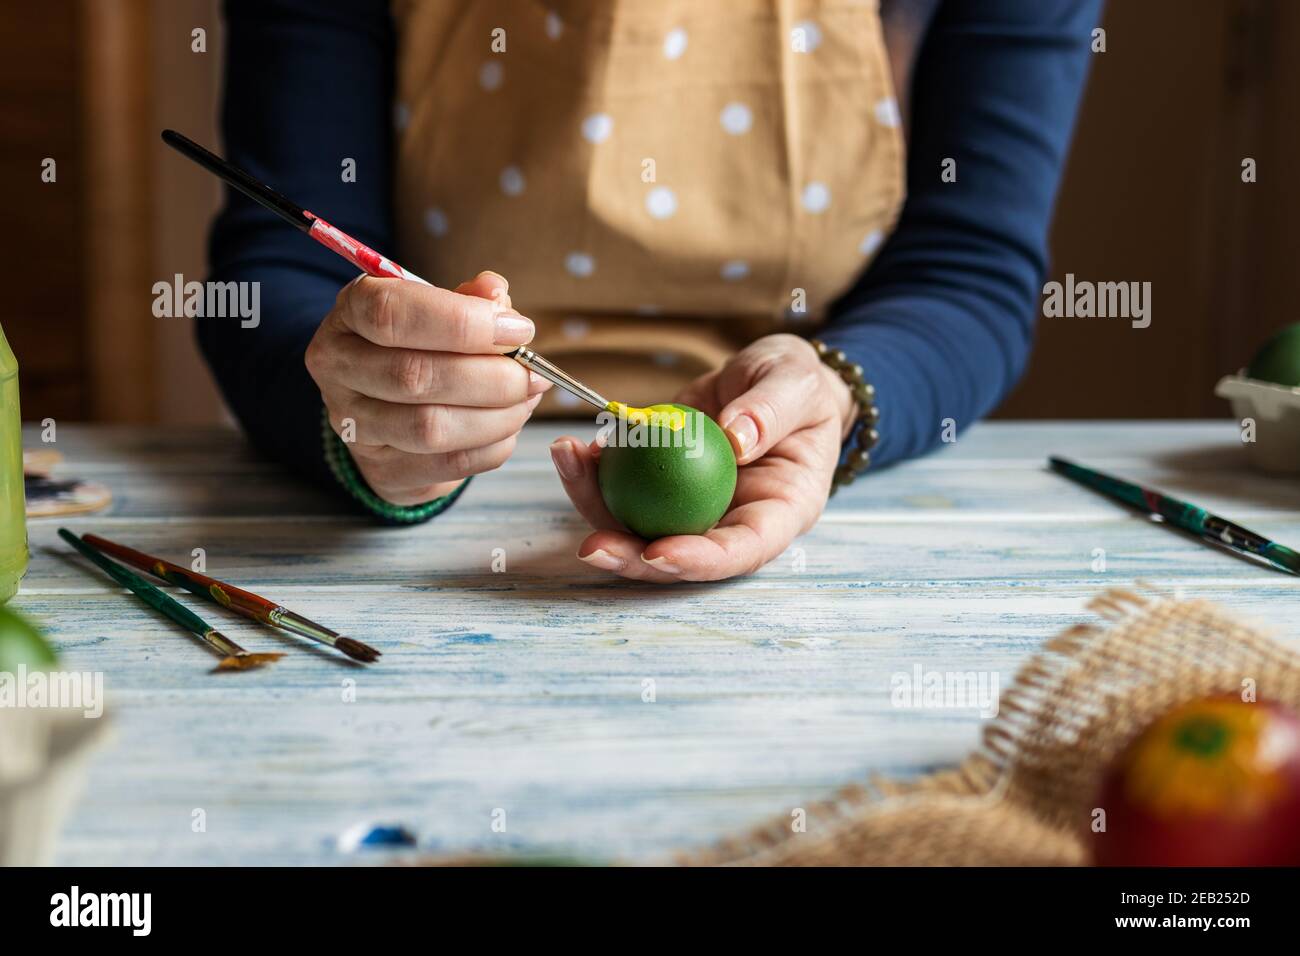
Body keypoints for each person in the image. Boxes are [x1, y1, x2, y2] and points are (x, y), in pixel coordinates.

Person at [203, 0, 1101, 581]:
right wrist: (360, 413)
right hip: (429, 511)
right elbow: (277, 267)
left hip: (808, 490)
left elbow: (970, 268)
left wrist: (833, 391)